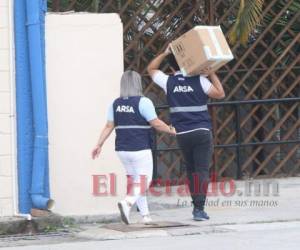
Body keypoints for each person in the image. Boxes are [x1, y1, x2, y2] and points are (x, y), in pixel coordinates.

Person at [147, 45, 225, 221]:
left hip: (182, 134)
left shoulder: (168, 82)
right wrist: (211, 72)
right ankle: (199, 209)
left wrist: (165, 52)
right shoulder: (200, 81)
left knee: (191, 170)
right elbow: (220, 93)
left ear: (172, 67)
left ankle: (196, 206)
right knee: (202, 170)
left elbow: (151, 68)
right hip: (202, 132)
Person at [92, 70, 175, 225]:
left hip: (122, 150)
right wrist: (171, 130)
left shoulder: (114, 103)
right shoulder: (143, 102)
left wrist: (99, 144)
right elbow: (156, 123)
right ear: (138, 84)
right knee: (145, 180)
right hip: (139, 148)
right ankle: (128, 202)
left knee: (136, 180)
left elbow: (109, 126)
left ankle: (145, 216)